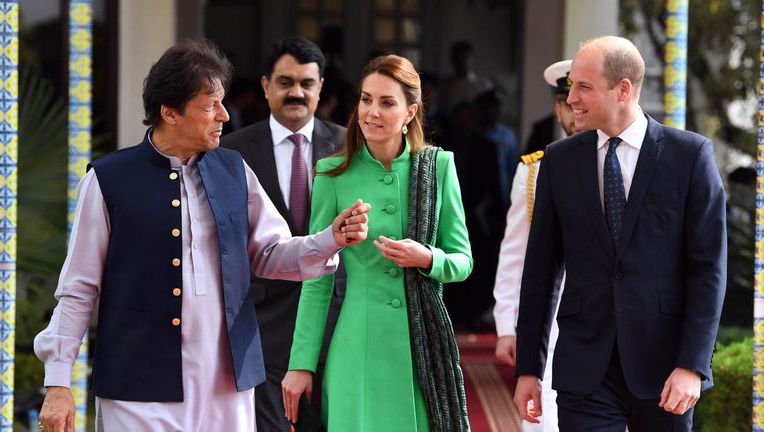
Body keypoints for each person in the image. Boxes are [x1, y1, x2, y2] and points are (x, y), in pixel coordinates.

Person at [33, 38, 371, 432]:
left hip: (227, 383)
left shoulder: (235, 169)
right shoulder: (107, 181)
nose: (225, 116)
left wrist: (329, 239)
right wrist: (58, 381)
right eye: (210, 106)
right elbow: (79, 288)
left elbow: (270, 253)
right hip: (137, 383)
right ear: (169, 112)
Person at [513, 36, 726, 431]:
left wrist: (692, 365)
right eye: (571, 85)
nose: (571, 97)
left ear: (623, 89)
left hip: (665, 370)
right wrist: (529, 368)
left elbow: (708, 270)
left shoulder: (690, 156)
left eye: (583, 87)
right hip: (584, 367)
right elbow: (540, 270)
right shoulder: (558, 161)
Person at [281, 54, 473, 431]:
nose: (372, 111)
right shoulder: (331, 174)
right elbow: (316, 280)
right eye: (366, 99)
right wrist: (300, 364)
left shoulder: (439, 167)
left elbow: (463, 261)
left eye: (387, 102)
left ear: (410, 112)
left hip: (421, 354)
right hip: (356, 348)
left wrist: (427, 258)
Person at [221, 36, 347, 431]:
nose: (296, 93)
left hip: (333, 315)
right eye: (285, 82)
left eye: (307, 83)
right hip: (263, 317)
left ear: (321, 87)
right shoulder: (232, 151)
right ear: (265, 85)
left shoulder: (348, 146)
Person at [492, 59, 579, 432]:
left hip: (605, 317)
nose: (577, 112)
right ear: (559, 109)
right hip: (549, 319)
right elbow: (515, 254)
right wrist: (506, 324)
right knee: (544, 417)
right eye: (569, 104)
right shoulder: (535, 171)